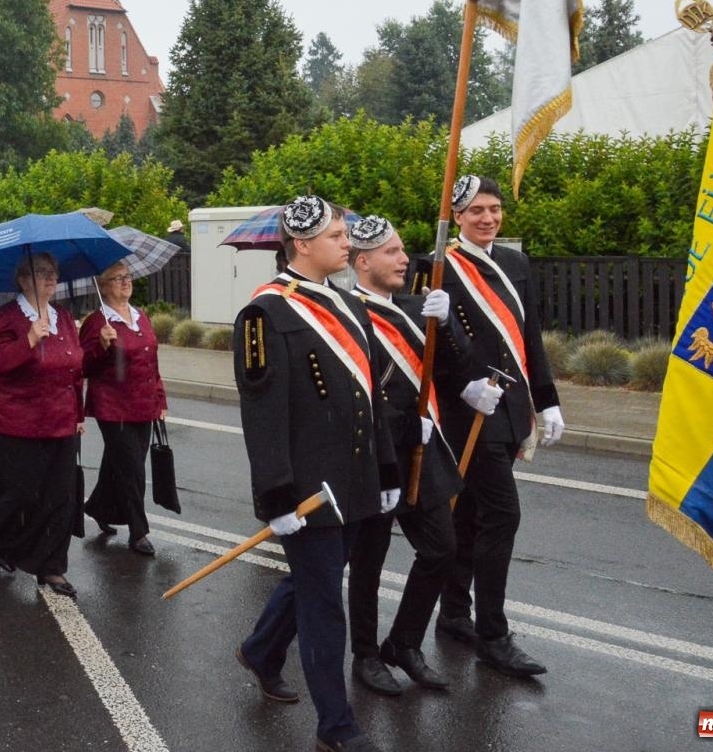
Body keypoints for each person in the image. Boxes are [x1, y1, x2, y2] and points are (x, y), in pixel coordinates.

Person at [232, 197, 398, 752]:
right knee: (326, 601)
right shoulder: (265, 313)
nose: (347, 243)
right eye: (335, 235)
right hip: (307, 489)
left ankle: (260, 650)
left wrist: (388, 467)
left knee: (313, 581)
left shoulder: (347, 304)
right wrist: (276, 496)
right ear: (302, 245)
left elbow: (368, 395)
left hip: (354, 480)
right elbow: (263, 413)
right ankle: (337, 727)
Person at [426, 174, 564, 678]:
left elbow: (530, 336)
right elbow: (426, 346)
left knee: (472, 517)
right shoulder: (439, 267)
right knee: (502, 516)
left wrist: (546, 400)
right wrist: (459, 385)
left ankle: (455, 613)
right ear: (457, 217)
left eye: (494, 209)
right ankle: (493, 634)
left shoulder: (513, 263)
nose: (488, 218)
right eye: (476, 210)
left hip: (509, 407)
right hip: (468, 411)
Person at [344, 215, 463, 696]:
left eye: (403, 250)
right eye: (392, 252)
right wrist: (396, 424)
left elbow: (455, 369)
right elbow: (353, 393)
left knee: (441, 549)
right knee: (368, 560)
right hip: (375, 453)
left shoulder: (416, 307)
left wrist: (447, 320)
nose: (404, 260)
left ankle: (405, 643)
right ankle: (366, 656)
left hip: (422, 449)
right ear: (364, 260)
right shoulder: (347, 314)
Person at [0, 252, 86, 597]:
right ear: (23, 280)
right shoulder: (7, 317)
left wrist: (79, 415)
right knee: (19, 495)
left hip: (60, 422)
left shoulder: (65, 318)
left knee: (60, 498)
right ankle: (0, 539)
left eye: (54, 272)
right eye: (41, 273)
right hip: (16, 423)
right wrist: (27, 341)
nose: (51, 278)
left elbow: (74, 373)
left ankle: (51, 567)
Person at [79, 259, 168, 556]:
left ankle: (99, 507)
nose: (125, 282)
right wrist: (102, 347)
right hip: (112, 405)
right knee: (131, 468)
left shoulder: (140, 316)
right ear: (103, 287)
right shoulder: (96, 323)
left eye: (127, 276)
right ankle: (138, 531)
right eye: (117, 278)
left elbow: (152, 363)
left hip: (144, 403)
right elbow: (83, 366)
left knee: (119, 463)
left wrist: (160, 399)